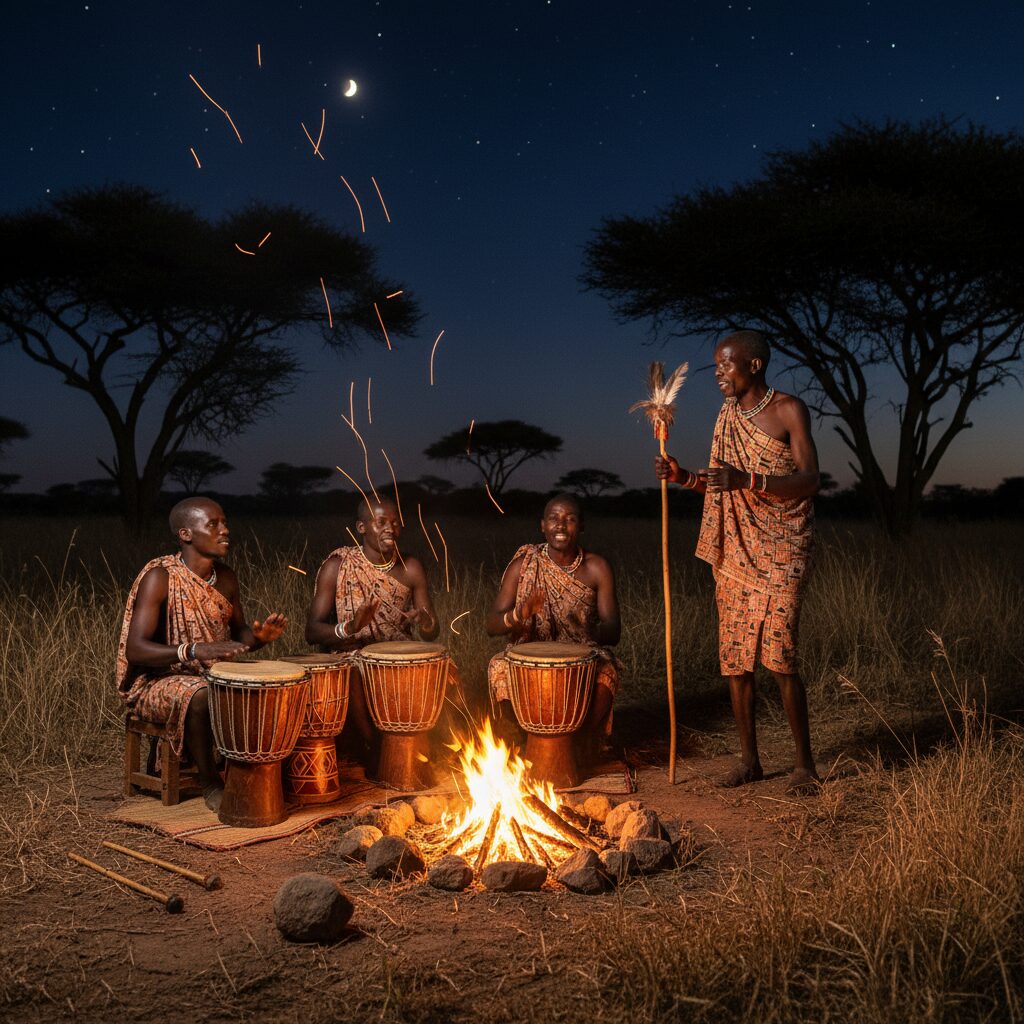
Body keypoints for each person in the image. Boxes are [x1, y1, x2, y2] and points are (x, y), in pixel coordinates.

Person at [657, 330, 821, 794]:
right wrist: (683, 477)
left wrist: (748, 478)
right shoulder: (726, 416)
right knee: (736, 657)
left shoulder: (789, 410)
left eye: (726, 365)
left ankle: (804, 764)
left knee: (781, 654)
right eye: (716, 366)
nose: (718, 376)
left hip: (785, 545)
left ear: (753, 365)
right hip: (736, 553)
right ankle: (749, 760)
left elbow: (810, 481)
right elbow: (719, 486)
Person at [117, 497, 288, 811]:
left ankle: (255, 772)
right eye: (213, 524)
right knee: (201, 694)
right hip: (158, 683)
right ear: (186, 534)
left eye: (224, 522)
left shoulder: (226, 578)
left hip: (211, 677)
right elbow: (136, 649)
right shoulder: (160, 577)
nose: (225, 530)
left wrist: (260, 639)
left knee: (266, 685)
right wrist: (192, 651)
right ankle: (210, 782)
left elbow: (237, 640)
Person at [485, 494, 621, 766]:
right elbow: (491, 625)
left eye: (569, 519)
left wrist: (587, 630)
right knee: (498, 666)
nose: (561, 525)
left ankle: (580, 741)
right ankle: (524, 743)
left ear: (580, 526)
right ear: (542, 526)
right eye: (554, 519)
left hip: (582, 654)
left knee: (608, 671)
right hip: (529, 654)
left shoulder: (597, 568)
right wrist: (519, 614)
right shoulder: (523, 565)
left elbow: (613, 630)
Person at [305, 496, 444, 756]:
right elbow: (311, 631)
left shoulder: (411, 567)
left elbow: (431, 631)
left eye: (395, 522)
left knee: (444, 667)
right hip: (349, 654)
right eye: (381, 522)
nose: (390, 528)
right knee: (355, 670)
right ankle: (376, 750)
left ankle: (428, 746)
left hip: (397, 656)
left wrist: (426, 622)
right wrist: (350, 627)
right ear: (361, 527)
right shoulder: (337, 566)